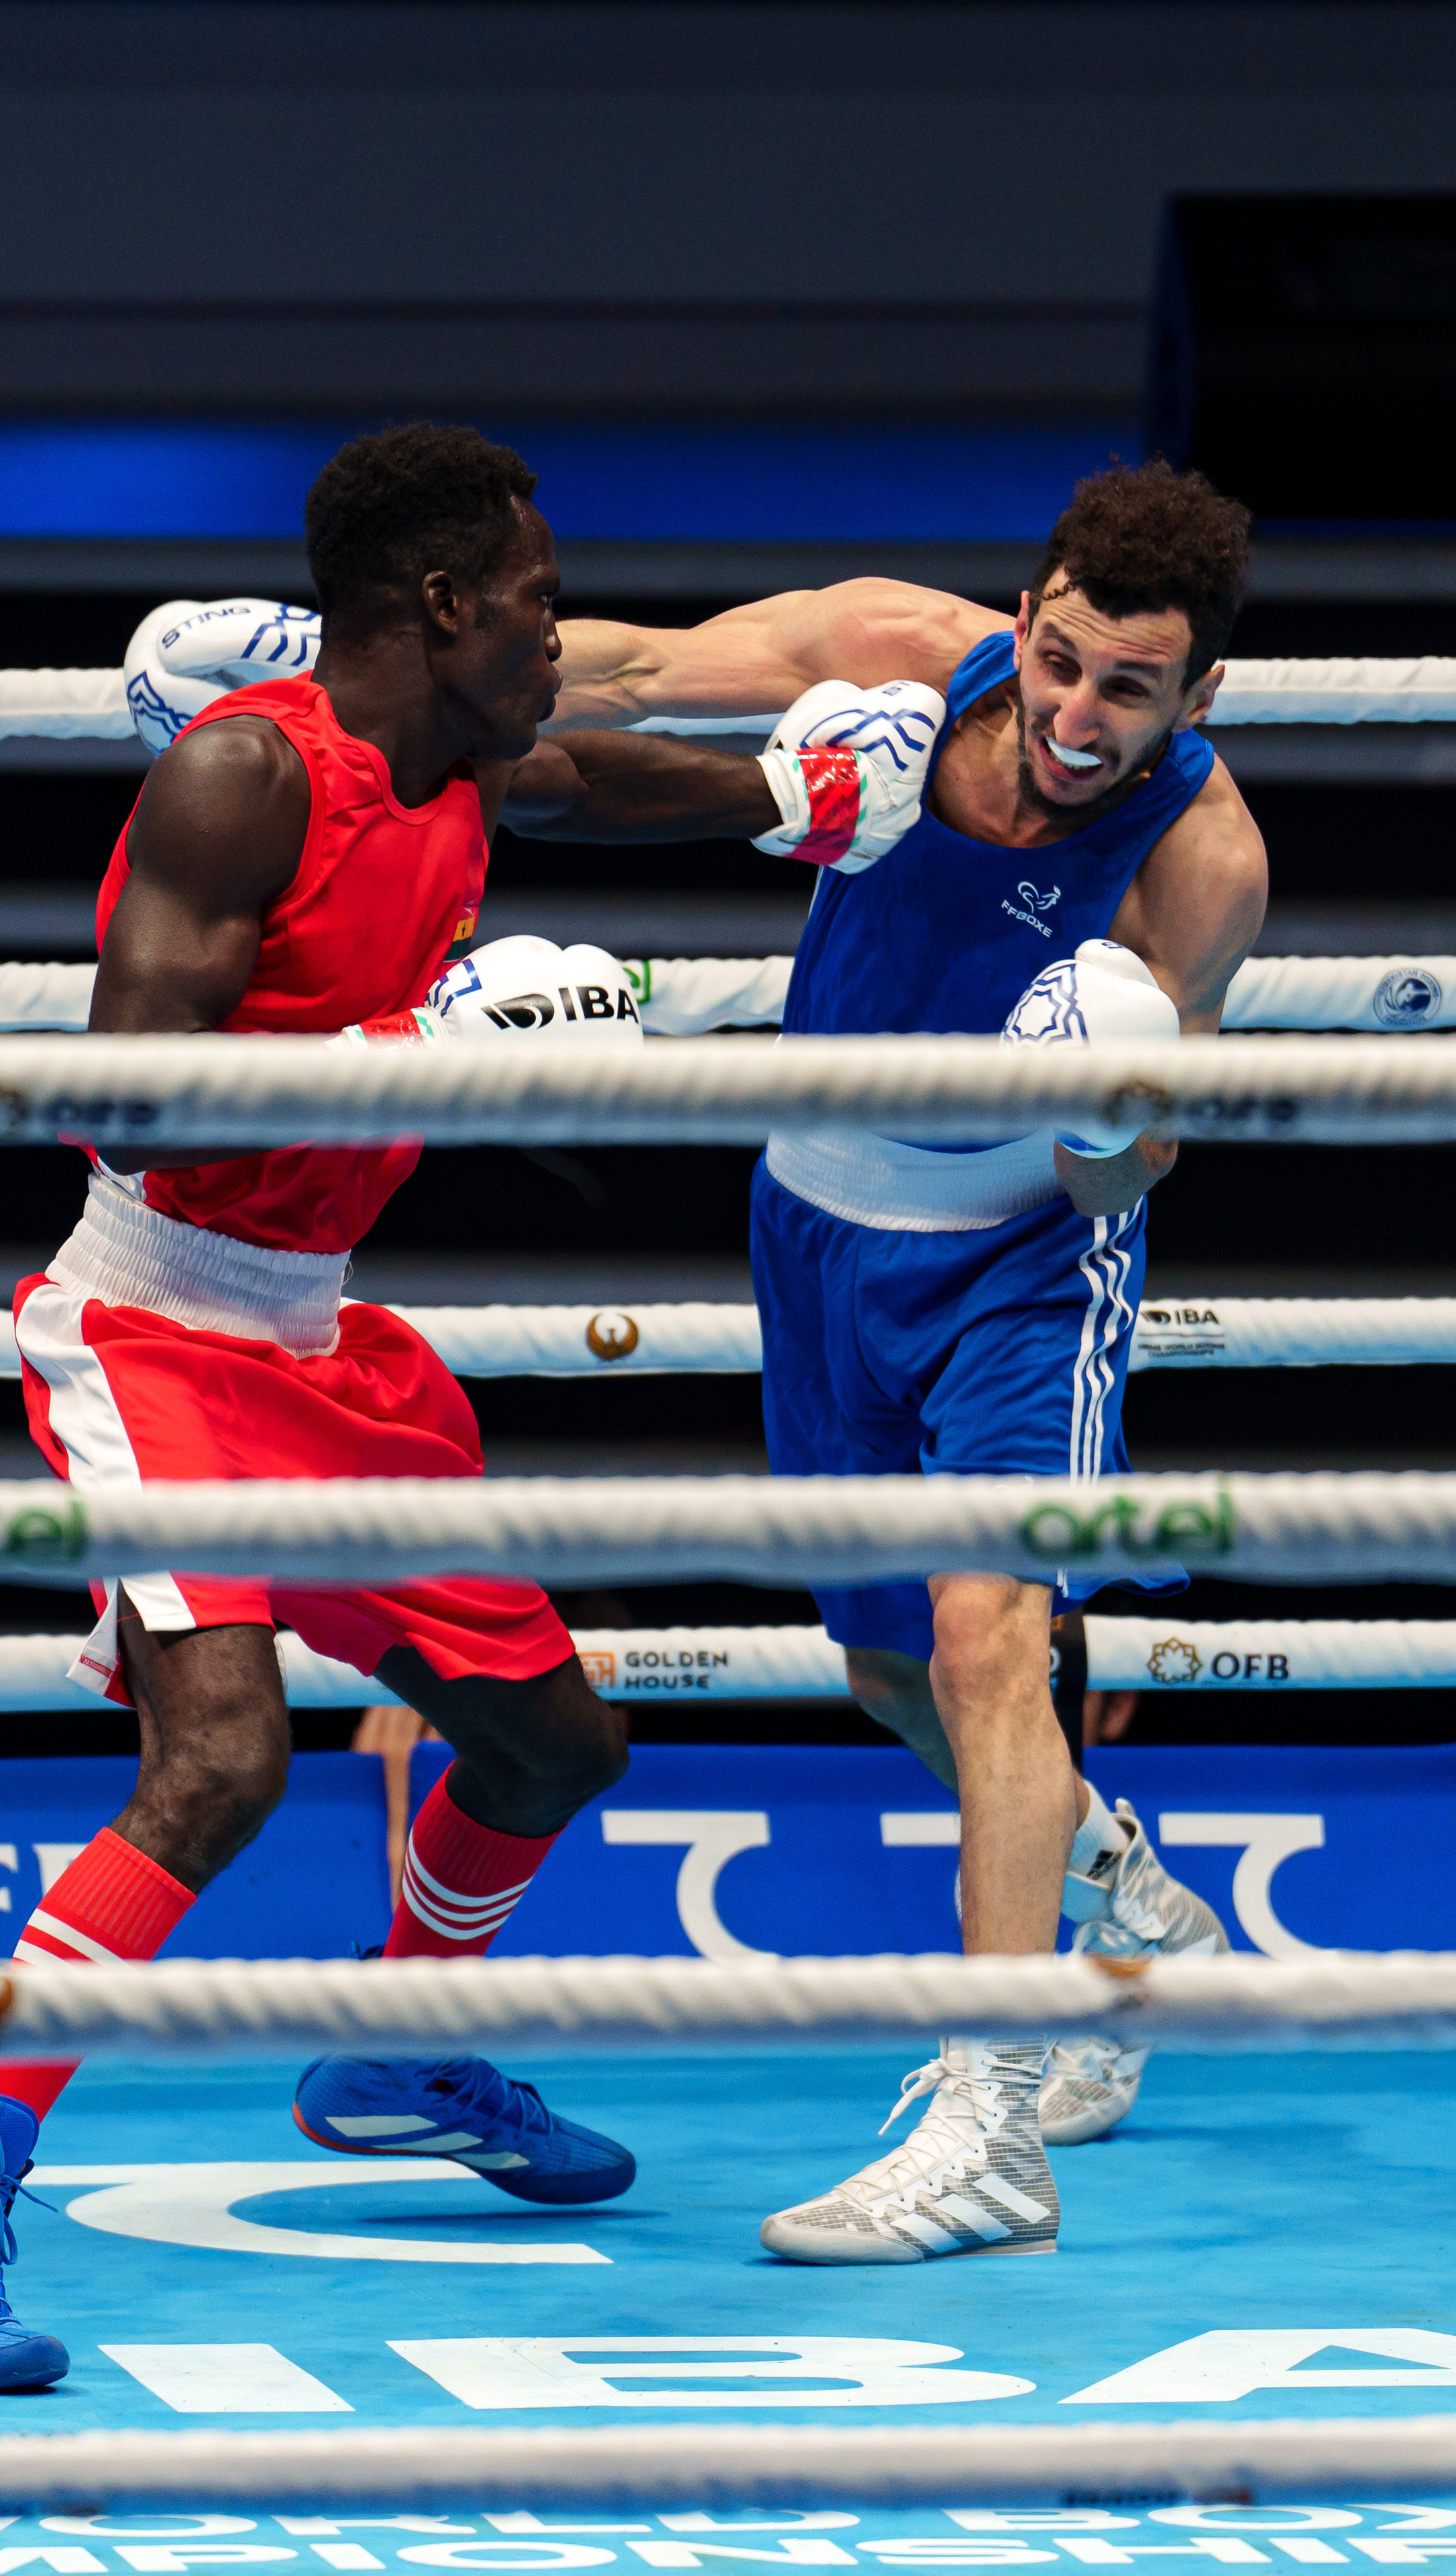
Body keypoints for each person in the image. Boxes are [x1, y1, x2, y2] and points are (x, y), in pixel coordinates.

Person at [0, 425, 675, 2398]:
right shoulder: (241, 775)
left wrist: (839, 804)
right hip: (151, 1321)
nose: (566, 635)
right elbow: (133, 1091)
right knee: (220, 1762)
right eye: (544, 602)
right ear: (448, 605)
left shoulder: (460, 764)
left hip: (323, 1341)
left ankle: (396, 2048)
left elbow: (615, 779)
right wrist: (420, 1042)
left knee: (555, 1743)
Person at [502, 460, 1268, 2256]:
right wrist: (330, 681)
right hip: (818, 1226)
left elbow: (1137, 1158)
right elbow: (615, 675)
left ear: (1198, 698)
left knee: (990, 1634)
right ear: (1025, 617)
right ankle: (1121, 1890)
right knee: (886, 1677)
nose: (1080, 718)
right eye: (1062, 663)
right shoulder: (895, 657)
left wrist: (1098, 1088)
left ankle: (995, 2124)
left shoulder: (1200, 857)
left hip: (1024, 1254)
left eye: (1130, 691)